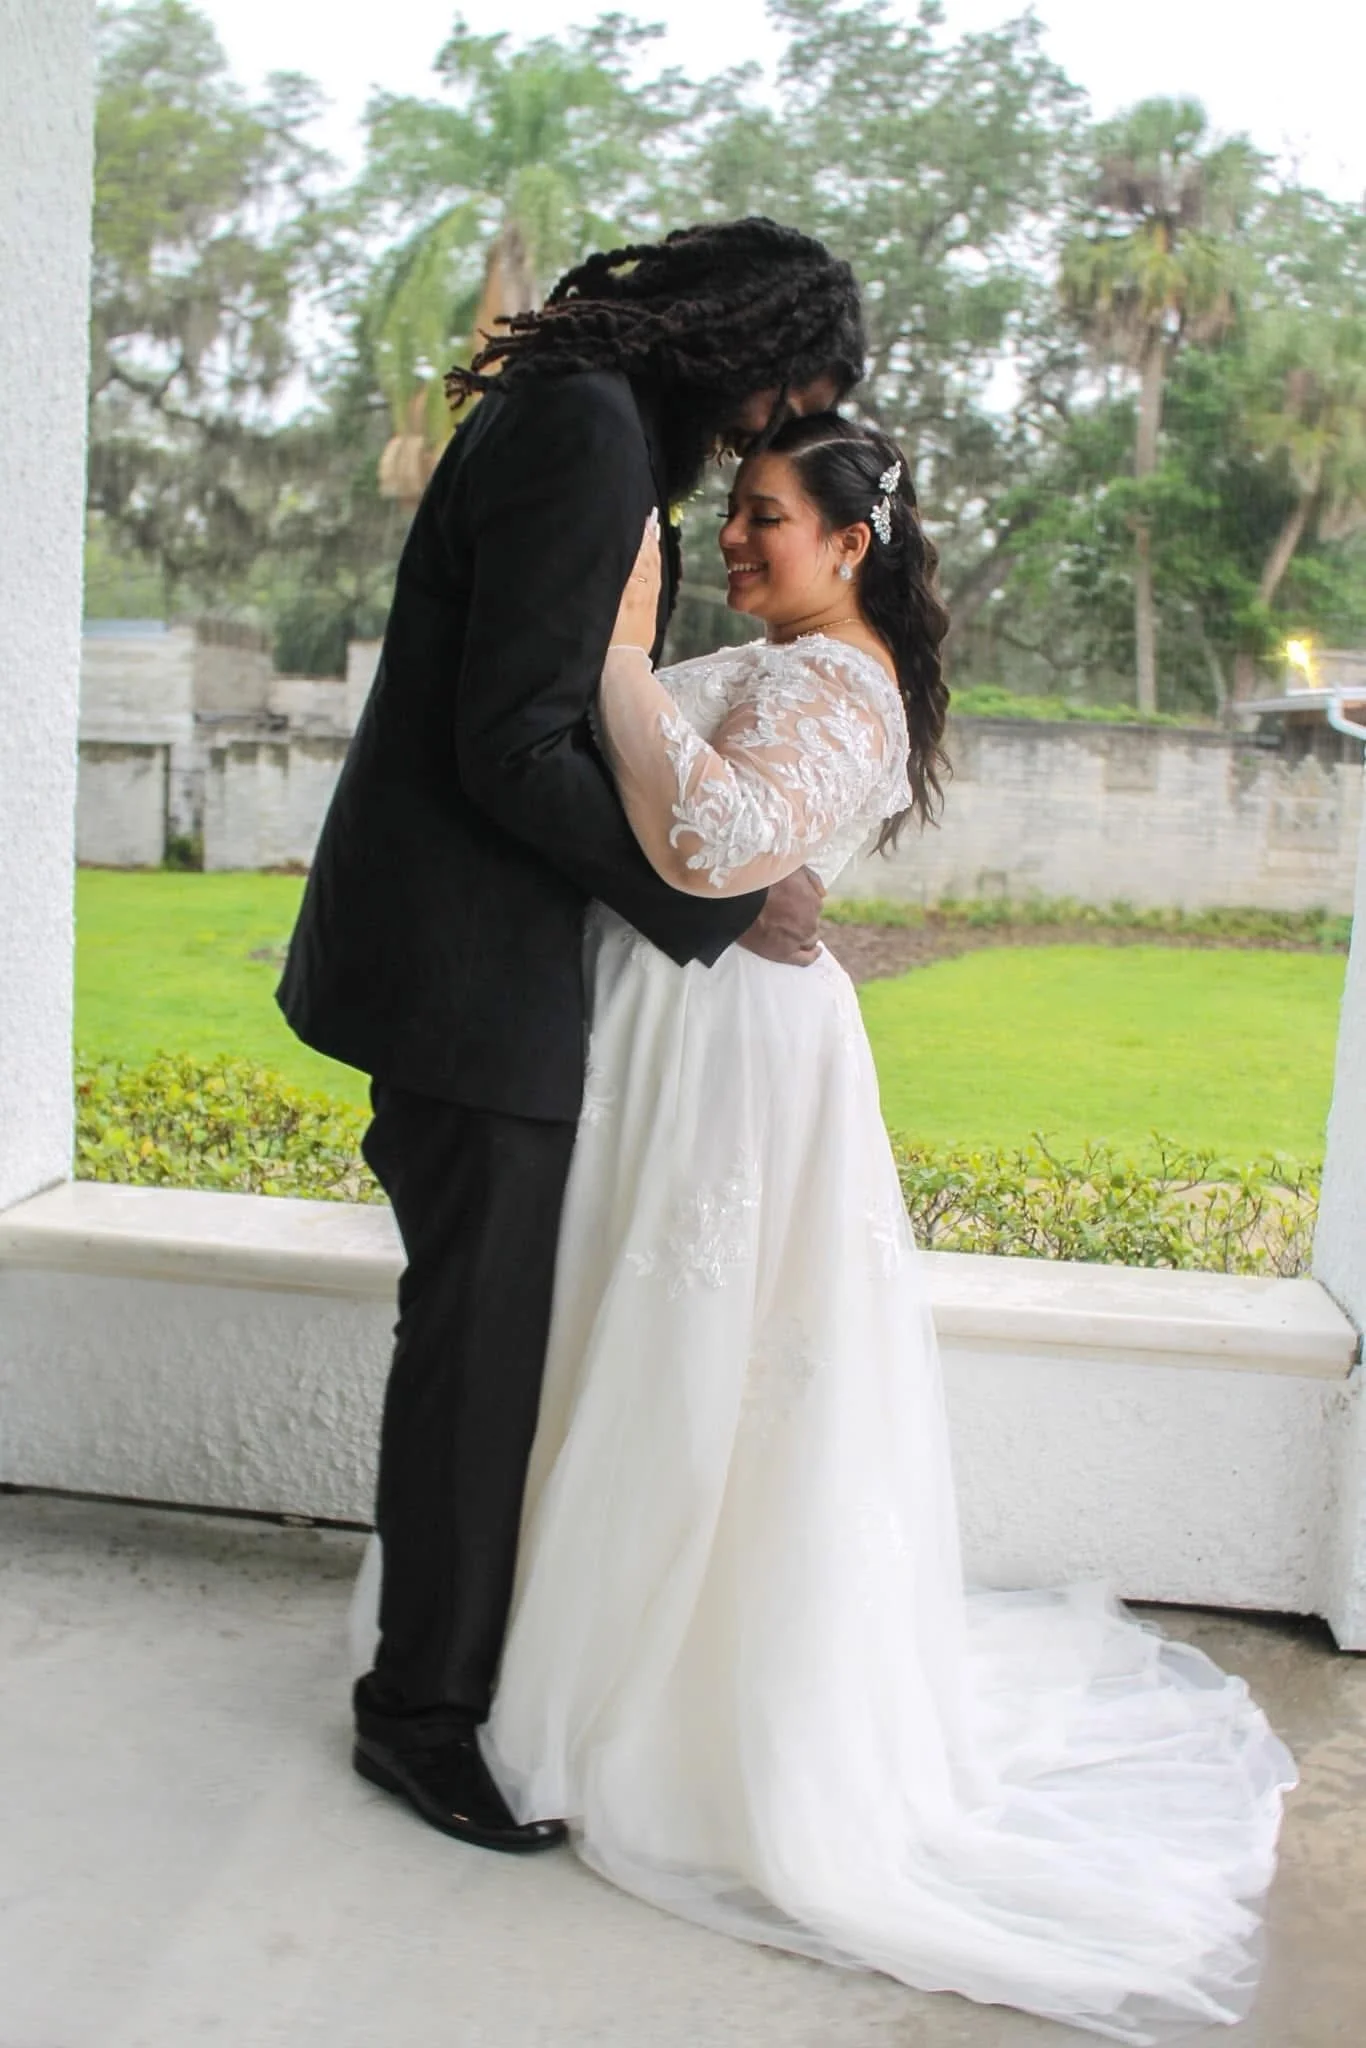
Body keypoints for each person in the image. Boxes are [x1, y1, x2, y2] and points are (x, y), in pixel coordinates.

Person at [467, 413, 1296, 2040]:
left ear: (852, 544)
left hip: (727, 1044)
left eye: (766, 518)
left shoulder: (840, 683)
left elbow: (713, 841)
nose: (737, 539)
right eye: (734, 516)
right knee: (631, 1334)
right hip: (674, 1010)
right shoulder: (783, 660)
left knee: (703, 1358)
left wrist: (626, 657)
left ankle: (659, 1705)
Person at [278, 218, 867, 1852]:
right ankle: (419, 1719)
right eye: (774, 403)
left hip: (484, 957)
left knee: (491, 1343)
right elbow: (511, 743)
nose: (762, 440)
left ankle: (453, 1670)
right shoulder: (587, 429)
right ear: (740, 343)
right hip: (466, 969)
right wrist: (716, 901)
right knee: (476, 1355)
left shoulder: (596, 419)